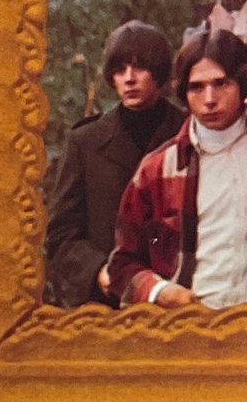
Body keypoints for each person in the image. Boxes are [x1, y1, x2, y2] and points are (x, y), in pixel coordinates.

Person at [109, 25, 247, 311]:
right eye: (196, 87)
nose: (209, 99)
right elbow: (122, 264)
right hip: (191, 320)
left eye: (221, 83)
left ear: (242, 82)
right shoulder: (158, 168)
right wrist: (158, 291)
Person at [43, 20, 180, 306]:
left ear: (158, 72)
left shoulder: (186, 132)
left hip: (181, 295)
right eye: (119, 70)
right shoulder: (85, 142)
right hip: (109, 304)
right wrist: (98, 271)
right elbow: (61, 234)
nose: (129, 78)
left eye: (139, 67)